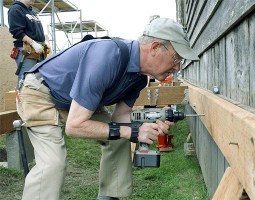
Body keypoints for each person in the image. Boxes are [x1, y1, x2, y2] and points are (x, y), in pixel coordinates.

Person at [17, 17, 199, 200]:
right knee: (53, 163)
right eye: (176, 58)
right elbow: (74, 126)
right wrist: (131, 131)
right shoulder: (109, 56)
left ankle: (109, 197)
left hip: (72, 102)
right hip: (40, 93)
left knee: (118, 137)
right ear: (154, 47)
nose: (177, 67)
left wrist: (145, 126)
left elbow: (121, 117)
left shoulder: (139, 79)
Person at [8, 0, 48, 89]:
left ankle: (32, 101)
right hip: (26, 51)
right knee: (26, 79)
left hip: (38, 51)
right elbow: (17, 31)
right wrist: (33, 43)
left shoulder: (31, 12)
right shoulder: (16, 9)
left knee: (39, 79)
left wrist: (43, 43)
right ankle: (22, 102)